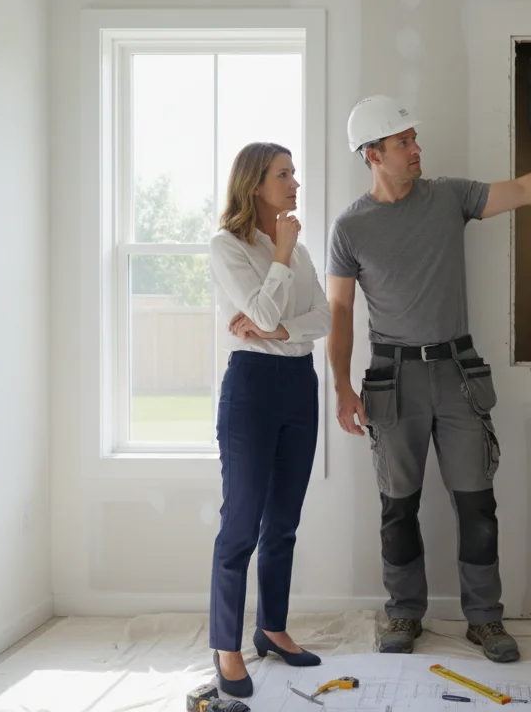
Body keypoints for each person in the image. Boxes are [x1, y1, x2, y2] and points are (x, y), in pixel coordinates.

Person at [325, 95, 531, 662]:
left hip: (457, 372)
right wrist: (342, 387)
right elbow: (340, 312)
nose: (416, 148)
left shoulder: (448, 197)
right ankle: (403, 613)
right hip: (391, 379)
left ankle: (485, 619)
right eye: (403, 142)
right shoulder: (350, 228)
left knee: (476, 501)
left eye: (414, 138)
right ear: (372, 154)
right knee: (399, 505)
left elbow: (523, 189)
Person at [206, 142, 331, 698]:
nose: (295, 183)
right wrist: (280, 254)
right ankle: (226, 648)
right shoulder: (227, 247)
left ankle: (272, 628)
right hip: (252, 390)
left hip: (299, 384)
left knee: (282, 523)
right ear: (255, 183)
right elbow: (256, 312)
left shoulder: (297, 250)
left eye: (294, 173)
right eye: (284, 174)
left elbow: (323, 317)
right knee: (240, 528)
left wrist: (281, 332)